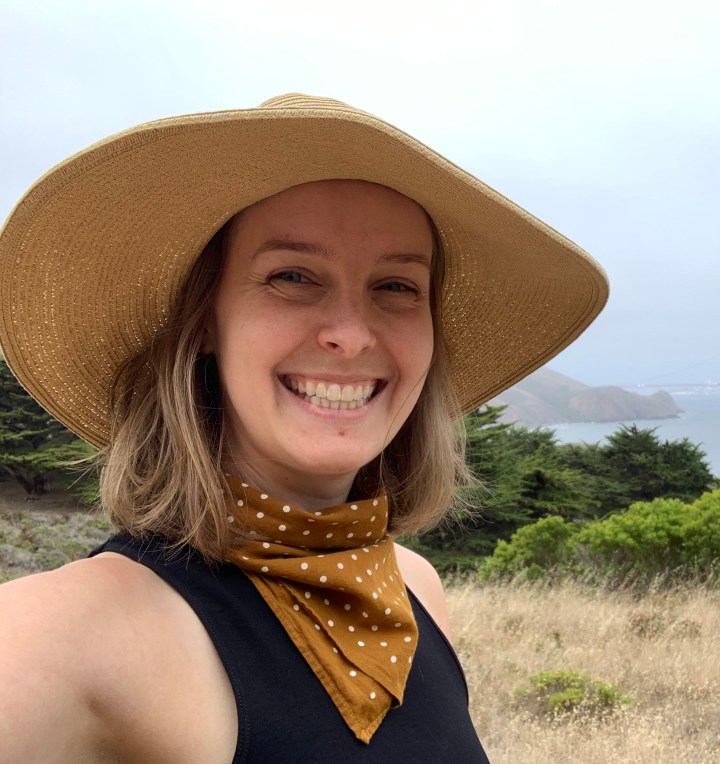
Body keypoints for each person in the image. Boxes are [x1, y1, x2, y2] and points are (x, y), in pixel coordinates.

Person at [0, 94, 607, 762]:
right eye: (292, 276)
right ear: (205, 321)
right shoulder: (67, 631)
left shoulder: (414, 588)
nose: (351, 333)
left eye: (397, 287)